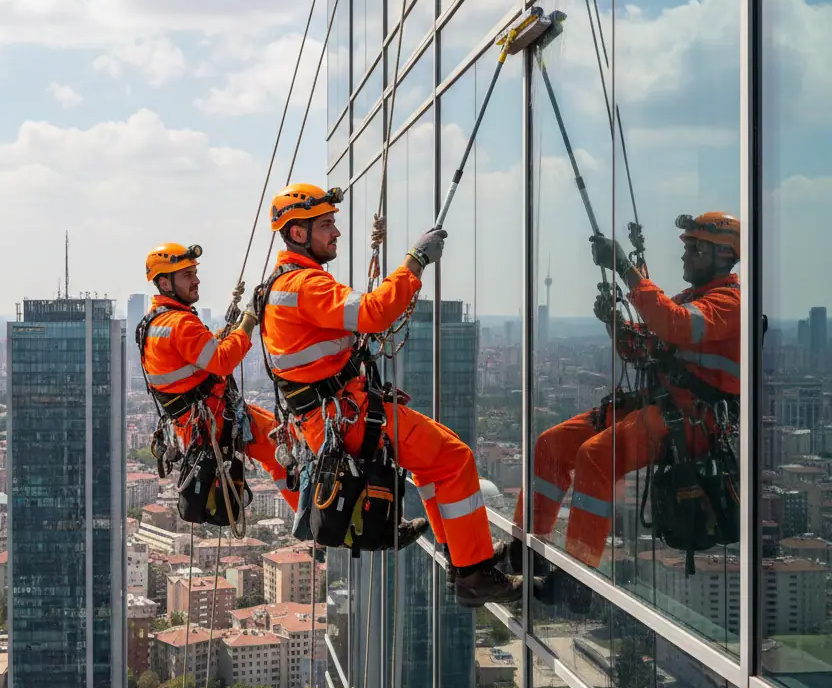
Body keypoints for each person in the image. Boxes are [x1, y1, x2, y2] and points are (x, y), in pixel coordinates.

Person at [256, 183, 523, 606]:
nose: (336, 233)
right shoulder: (306, 286)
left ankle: (465, 555)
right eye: (326, 225)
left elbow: (324, 358)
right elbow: (373, 313)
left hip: (337, 413)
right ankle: (473, 574)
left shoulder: (282, 285)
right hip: (346, 415)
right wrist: (415, 261)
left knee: (436, 466)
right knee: (454, 461)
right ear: (298, 233)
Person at [511, 213, 740, 604]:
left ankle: (578, 581)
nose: (684, 256)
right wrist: (615, 324)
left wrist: (625, 269)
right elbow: (651, 347)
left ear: (722, 255)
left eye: (693, 248)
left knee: (596, 457)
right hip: (663, 411)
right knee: (551, 445)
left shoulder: (729, 302)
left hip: (691, 423)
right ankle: (522, 549)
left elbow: (677, 326)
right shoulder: (690, 299)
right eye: (685, 247)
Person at [138, 243, 298, 512]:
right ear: (165, 283)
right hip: (211, 421)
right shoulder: (180, 323)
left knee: (282, 439)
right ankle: (306, 515)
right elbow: (221, 362)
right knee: (285, 444)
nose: (196, 280)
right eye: (187, 275)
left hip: (197, 422)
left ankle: (306, 516)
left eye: (194, 273)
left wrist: (228, 332)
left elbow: (198, 355)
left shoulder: (155, 322)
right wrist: (249, 320)